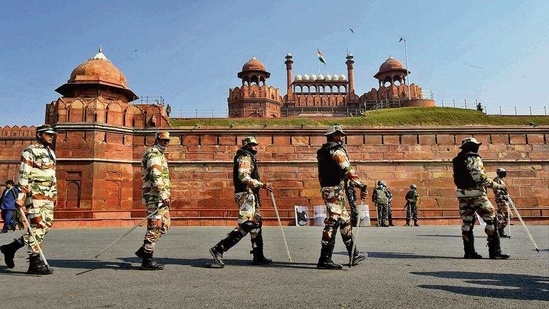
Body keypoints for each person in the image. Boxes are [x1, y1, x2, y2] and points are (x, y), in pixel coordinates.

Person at [0, 124, 57, 274]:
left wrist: (55, 194)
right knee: (37, 226)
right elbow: (24, 175)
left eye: (52, 134)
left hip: (48, 194)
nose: (51, 136)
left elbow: (53, 175)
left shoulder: (51, 152)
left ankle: (11, 248)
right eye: (48, 134)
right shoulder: (29, 151)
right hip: (36, 193)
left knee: (45, 226)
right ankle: (34, 262)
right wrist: (21, 196)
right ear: (39, 134)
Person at [209, 137, 273, 268]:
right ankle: (219, 248)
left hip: (249, 193)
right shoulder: (245, 157)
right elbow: (243, 176)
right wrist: (261, 184)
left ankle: (258, 256)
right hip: (246, 193)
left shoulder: (247, 157)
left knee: (255, 224)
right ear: (247, 146)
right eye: (253, 145)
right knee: (247, 224)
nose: (256, 147)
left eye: (256, 144)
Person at [316, 125, 368, 269]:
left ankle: (353, 254)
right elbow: (347, 170)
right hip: (334, 191)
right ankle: (324, 259)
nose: (342, 137)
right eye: (339, 135)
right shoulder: (336, 150)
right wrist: (361, 185)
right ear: (333, 136)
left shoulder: (323, 151)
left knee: (344, 221)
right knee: (332, 222)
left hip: (330, 189)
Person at [452, 137, 510, 260]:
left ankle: (469, 252)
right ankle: (495, 251)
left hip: (463, 194)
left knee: (467, 222)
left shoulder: (457, 160)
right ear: (473, 147)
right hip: (476, 194)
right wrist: (497, 186)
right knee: (490, 219)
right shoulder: (472, 157)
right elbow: (480, 178)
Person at [134, 131, 172, 270]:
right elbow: (155, 175)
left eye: (167, 141)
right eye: (163, 140)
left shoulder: (160, 154)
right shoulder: (154, 154)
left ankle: (143, 251)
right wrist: (163, 195)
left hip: (160, 196)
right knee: (155, 226)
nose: (165, 143)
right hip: (155, 196)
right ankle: (147, 260)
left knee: (165, 224)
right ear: (157, 140)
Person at [492, 167, 511, 238]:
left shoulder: (501, 179)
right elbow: (497, 191)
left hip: (503, 199)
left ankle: (497, 230)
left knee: (500, 215)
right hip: (501, 200)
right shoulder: (497, 180)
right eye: (504, 172)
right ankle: (500, 229)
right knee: (508, 215)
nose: (505, 173)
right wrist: (504, 196)